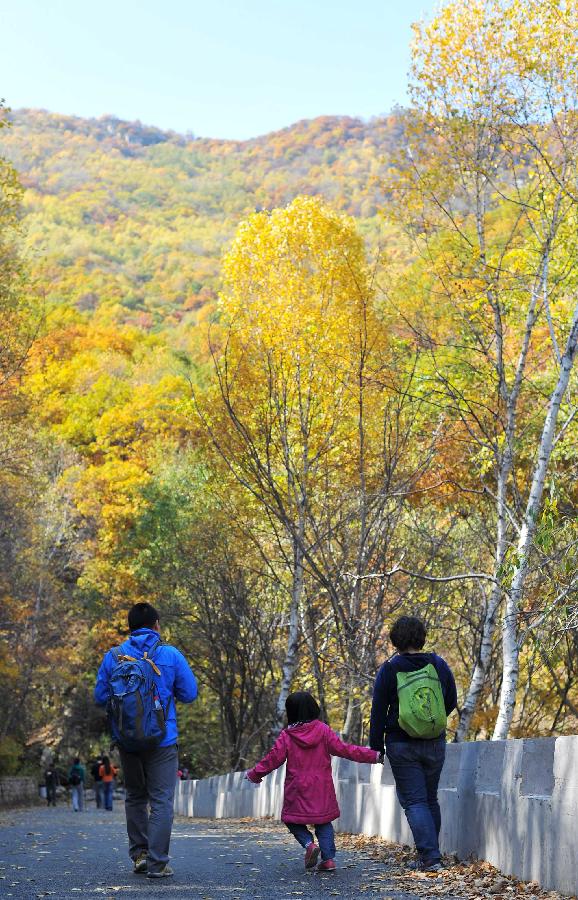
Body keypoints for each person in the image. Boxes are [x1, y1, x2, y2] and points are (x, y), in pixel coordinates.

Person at [94, 601, 198, 879]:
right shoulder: (170, 655)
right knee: (162, 800)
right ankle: (157, 863)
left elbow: (100, 697)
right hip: (163, 740)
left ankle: (139, 855)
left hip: (127, 740)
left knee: (136, 797)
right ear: (156, 625)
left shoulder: (113, 656)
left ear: (130, 628)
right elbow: (189, 694)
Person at [246, 691, 382, 873]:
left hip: (297, 788)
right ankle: (329, 860)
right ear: (313, 707)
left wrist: (255, 774)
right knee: (323, 822)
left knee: (291, 820)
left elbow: (273, 759)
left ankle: (309, 844)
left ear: (291, 712)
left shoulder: (287, 735)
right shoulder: (324, 731)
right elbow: (345, 750)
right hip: (322, 787)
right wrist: (373, 756)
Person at [369, 615, 457, 873]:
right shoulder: (438, 664)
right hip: (434, 742)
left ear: (395, 639)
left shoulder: (390, 668)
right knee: (430, 799)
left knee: (415, 801)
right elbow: (449, 701)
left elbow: (378, 711)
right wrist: (428, 721)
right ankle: (432, 855)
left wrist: (377, 747)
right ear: (421, 637)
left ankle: (430, 858)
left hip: (401, 743)